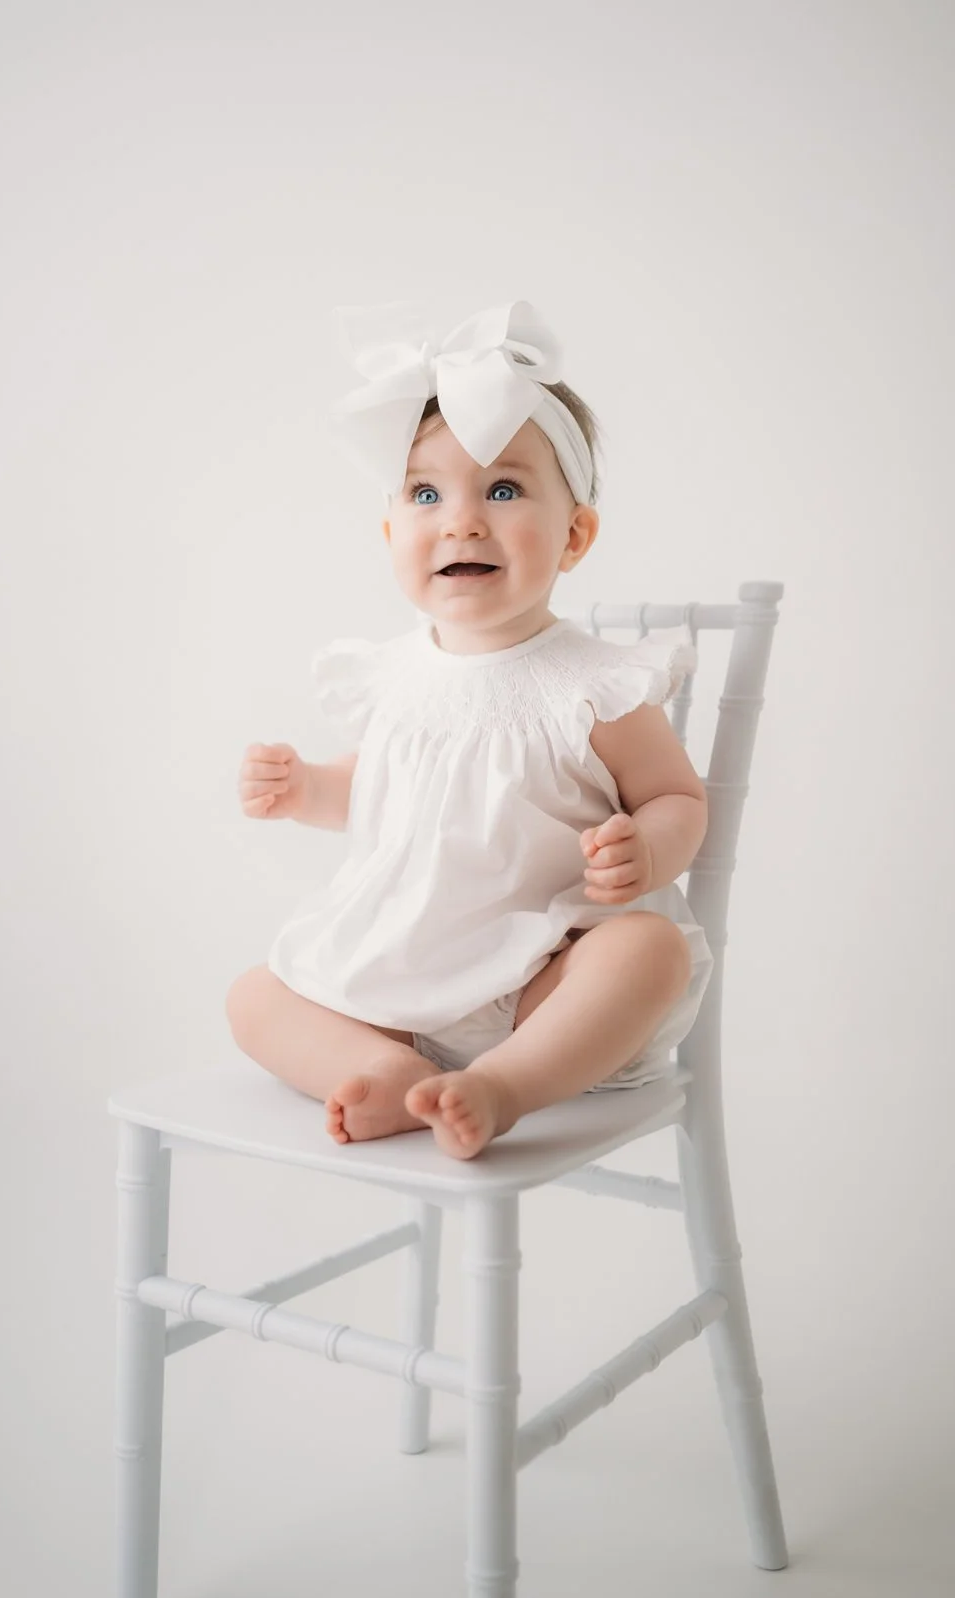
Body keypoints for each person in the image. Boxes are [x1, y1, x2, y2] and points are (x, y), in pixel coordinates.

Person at [225, 298, 714, 1161]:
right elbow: (375, 789)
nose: (460, 519)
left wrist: (648, 844)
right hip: (402, 977)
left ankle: (503, 1085)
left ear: (575, 535)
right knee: (255, 998)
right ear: (389, 532)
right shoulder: (390, 677)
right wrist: (307, 789)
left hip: (542, 980)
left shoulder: (594, 683)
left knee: (647, 951)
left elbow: (676, 795)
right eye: (424, 493)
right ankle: (383, 1070)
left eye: (502, 488)